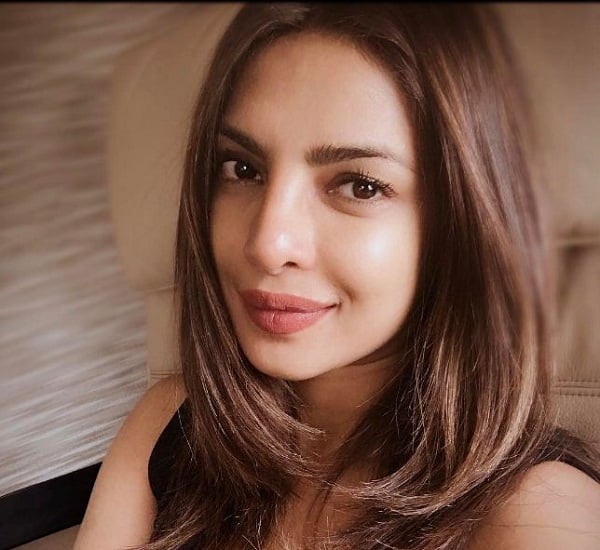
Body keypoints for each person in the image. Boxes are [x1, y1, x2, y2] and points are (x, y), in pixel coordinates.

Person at [75, 3, 600, 549]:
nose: (268, 244)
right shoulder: (169, 421)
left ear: (459, 223)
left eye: (359, 186)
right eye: (242, 169)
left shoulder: (536, 513)